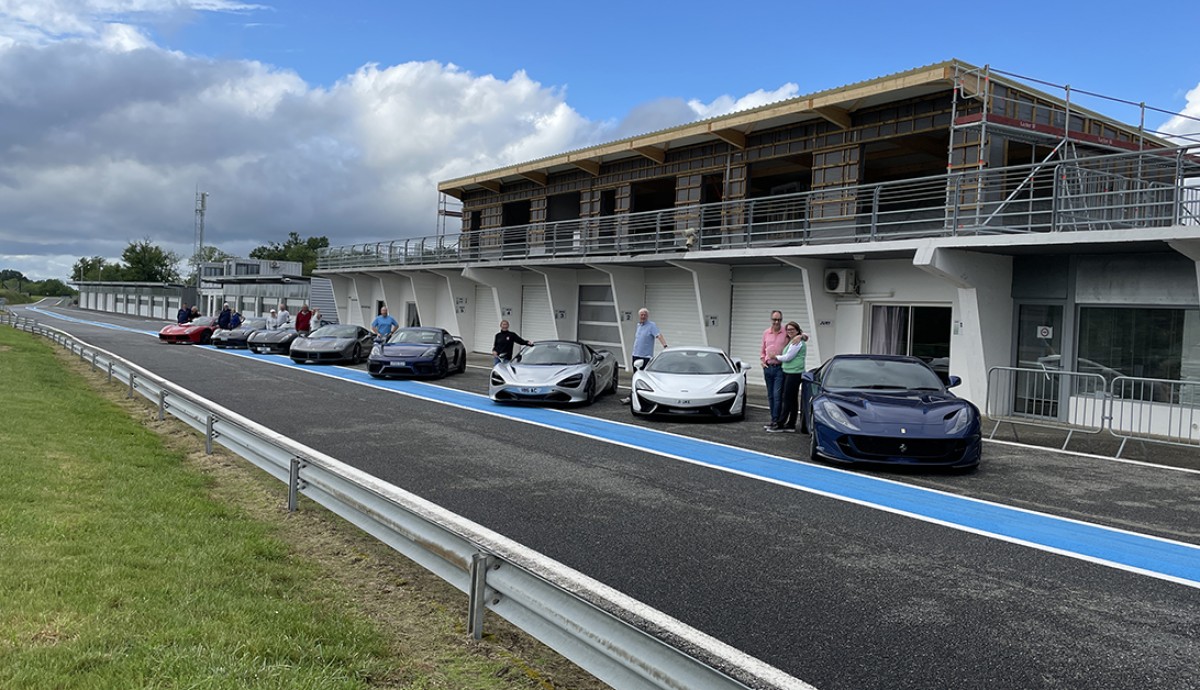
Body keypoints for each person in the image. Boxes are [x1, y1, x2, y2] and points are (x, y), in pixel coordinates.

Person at [620, 308, 668, 404]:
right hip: (635, 355)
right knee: (635, 377)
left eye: (645, 315)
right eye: (641, 314)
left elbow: (659, 335)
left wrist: (665, 346)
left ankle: (644, 398)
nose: (643, 316)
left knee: (644, 378)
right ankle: (632, 397)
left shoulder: (651, 326)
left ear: (647, 316)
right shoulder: (639, 325)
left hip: (645, 357)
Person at [768, 321, 809, 433]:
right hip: (789, 372)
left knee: (787, 398)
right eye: (788, 330)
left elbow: (788, 357)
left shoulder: (797, 342)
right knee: (792, 399)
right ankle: (791, 424)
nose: (790, 331)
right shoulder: (794, 340)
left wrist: (774, 356)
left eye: (792, 329)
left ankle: (780, 423)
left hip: (794, 373)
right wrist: (802, 336)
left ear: (797, 330)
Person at [760, 310, 789, 431]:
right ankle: (773, 418)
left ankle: (776, 420)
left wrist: (801, 336)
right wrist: (762, 361)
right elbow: (763, 349)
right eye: (774, 319)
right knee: (770, 395)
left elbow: (803, 336)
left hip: (779, 368)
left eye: (779, 320)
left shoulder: (785, 332)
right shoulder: (766, 333)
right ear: (771, 319)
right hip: (768, 368)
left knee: (777, 395)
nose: (776, 322)